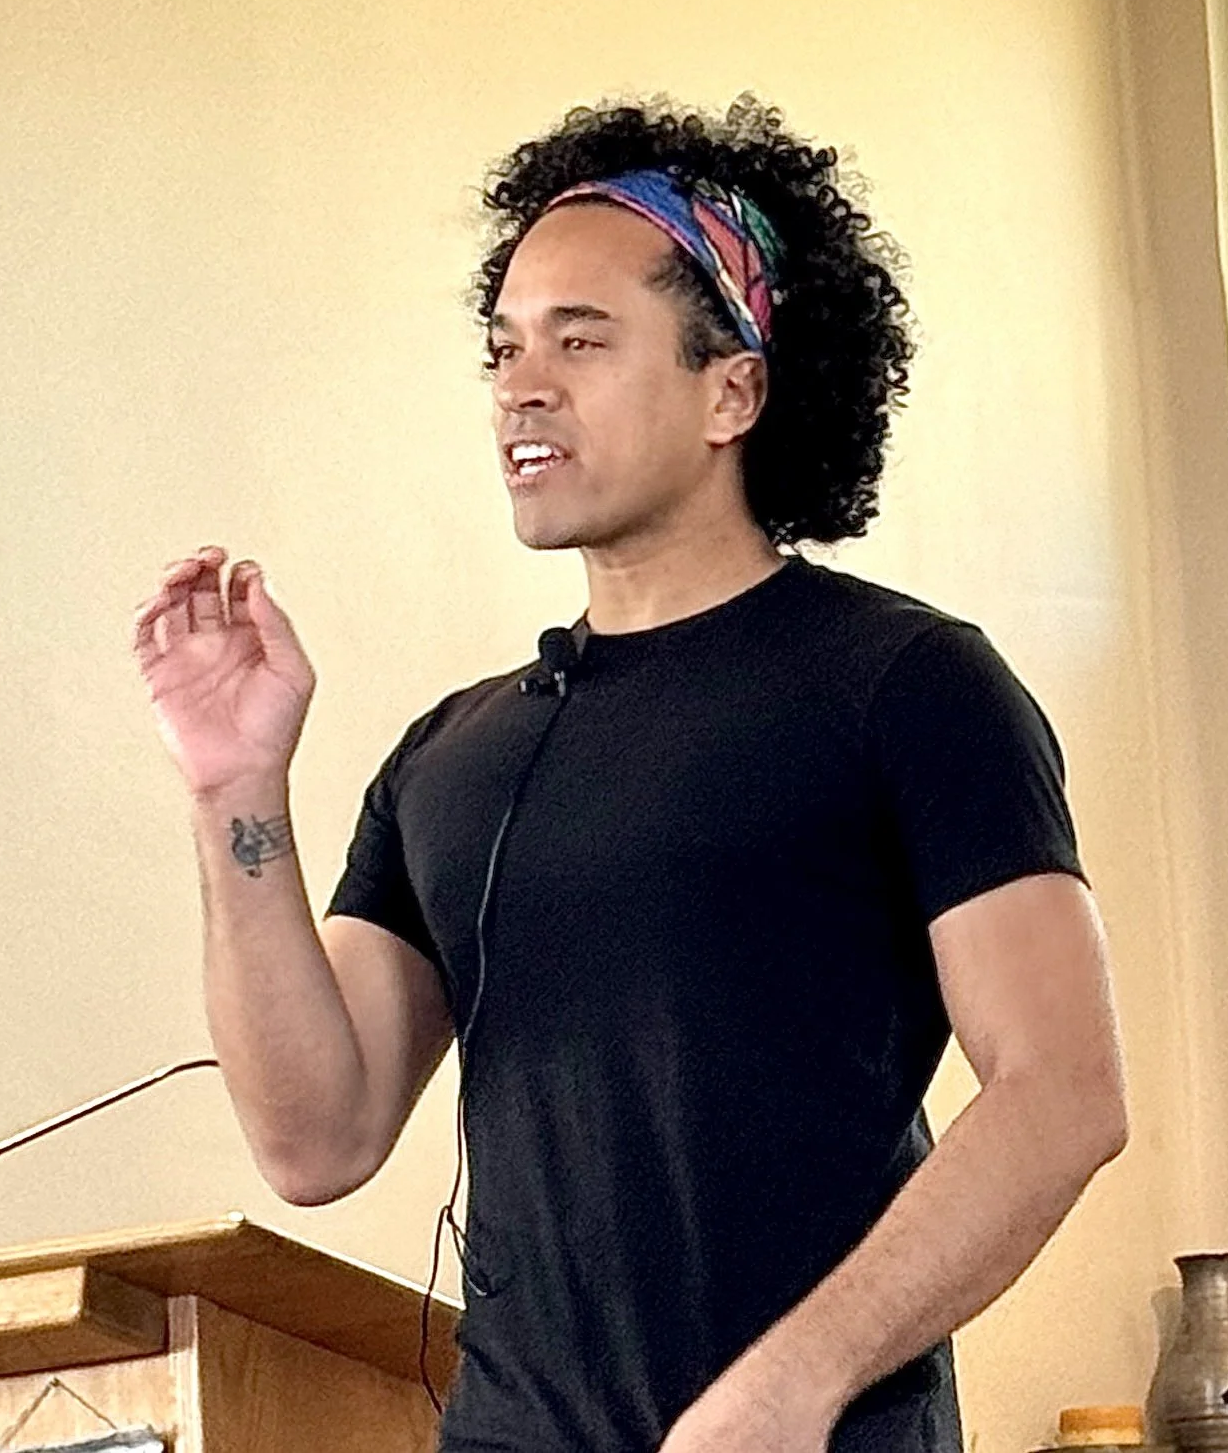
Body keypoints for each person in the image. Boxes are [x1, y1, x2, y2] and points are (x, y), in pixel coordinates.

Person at [132, 97, 1128, 1453]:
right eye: (505, 350)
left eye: (582, 342)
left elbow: (1062, 1094)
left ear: (736, 389)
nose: (521, 388)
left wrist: (792, 1386)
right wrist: (235, 791)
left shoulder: (903, 684)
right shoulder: (452, 757)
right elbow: (317, 1139)